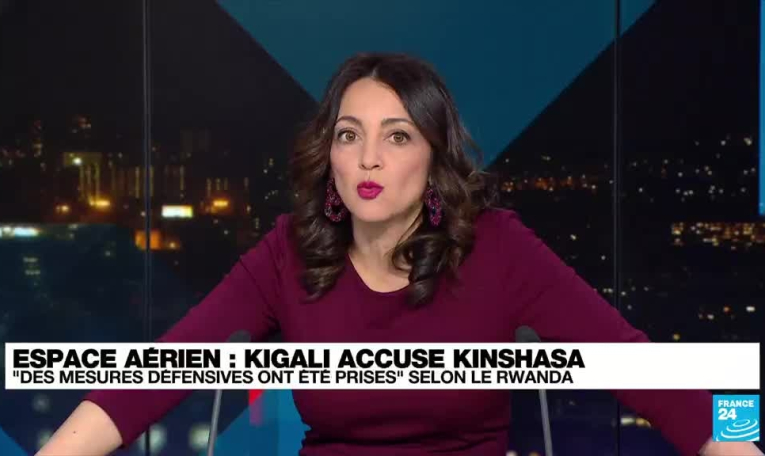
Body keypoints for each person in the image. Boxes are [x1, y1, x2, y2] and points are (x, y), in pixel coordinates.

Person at [37, 52, 761, 456]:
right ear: (328, 154)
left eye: (398, 136)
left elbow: (645, 372)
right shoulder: (288, 252)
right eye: (349, 135)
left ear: (433, 157)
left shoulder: (498, 247)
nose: (368, 159)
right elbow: (156, 375)